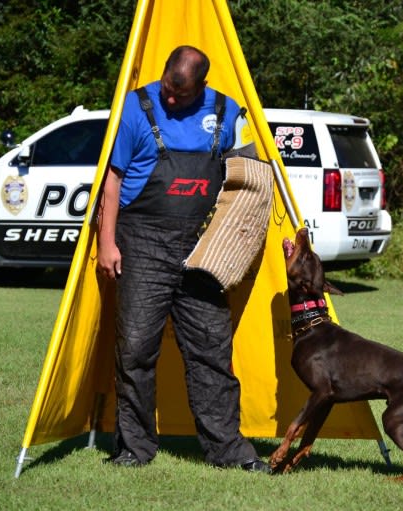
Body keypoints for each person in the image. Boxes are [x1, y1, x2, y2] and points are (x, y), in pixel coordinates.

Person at [96, 45, 269, 473]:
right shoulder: (137, 107)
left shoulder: (229, 114)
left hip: (202, 249)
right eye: (168, 90)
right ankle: (134, 448)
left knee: (212, 352)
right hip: (143, 242)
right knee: (135, 347)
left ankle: (229, 451)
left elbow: (248, 181)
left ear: (202, 87)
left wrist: (240, 242)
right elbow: (112, 182)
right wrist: (106, 243)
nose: (170, 101)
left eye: (181, 95)